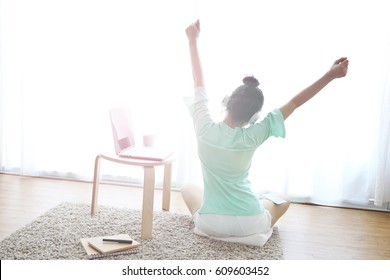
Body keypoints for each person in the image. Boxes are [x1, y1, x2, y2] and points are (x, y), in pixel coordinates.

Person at [182, 19, 349, 246]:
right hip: (250, 222)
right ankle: (254, 209)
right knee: (282, 198)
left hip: (212, 224)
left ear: (228, 101)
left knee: (188, 188)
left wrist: (192, 40)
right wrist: (330, 75)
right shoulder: (255, 133)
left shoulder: (203, 127)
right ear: (254, 117)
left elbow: (198, 81)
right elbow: (295, 102)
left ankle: (210, 222)